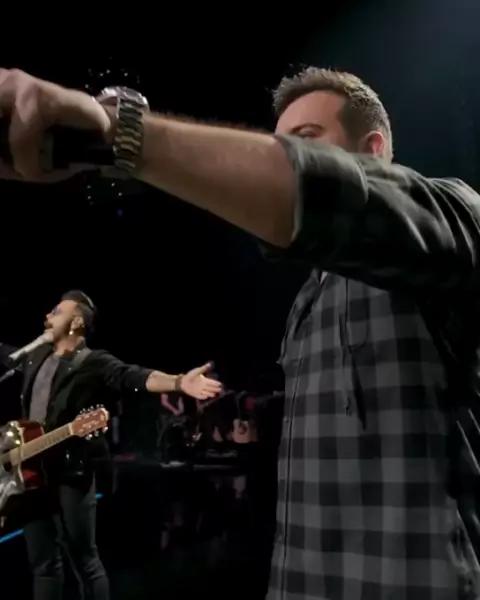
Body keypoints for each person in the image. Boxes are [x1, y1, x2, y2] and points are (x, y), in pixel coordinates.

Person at [0, 67, 480, 599]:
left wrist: (119, 132)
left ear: (373, 151)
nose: (279, 158)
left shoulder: (456, 219)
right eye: (277, 145)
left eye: (304, 143)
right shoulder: (307, 301)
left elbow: (334, 196)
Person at [0, 289, 222, 600]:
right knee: (43, 564)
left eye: (57, 311)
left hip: (71, 472)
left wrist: (178, 381)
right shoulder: (35, 357)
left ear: (77, 322)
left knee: (84, 561)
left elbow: (135, 376)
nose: (47, 316)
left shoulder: (94, 362)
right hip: (31, 476)